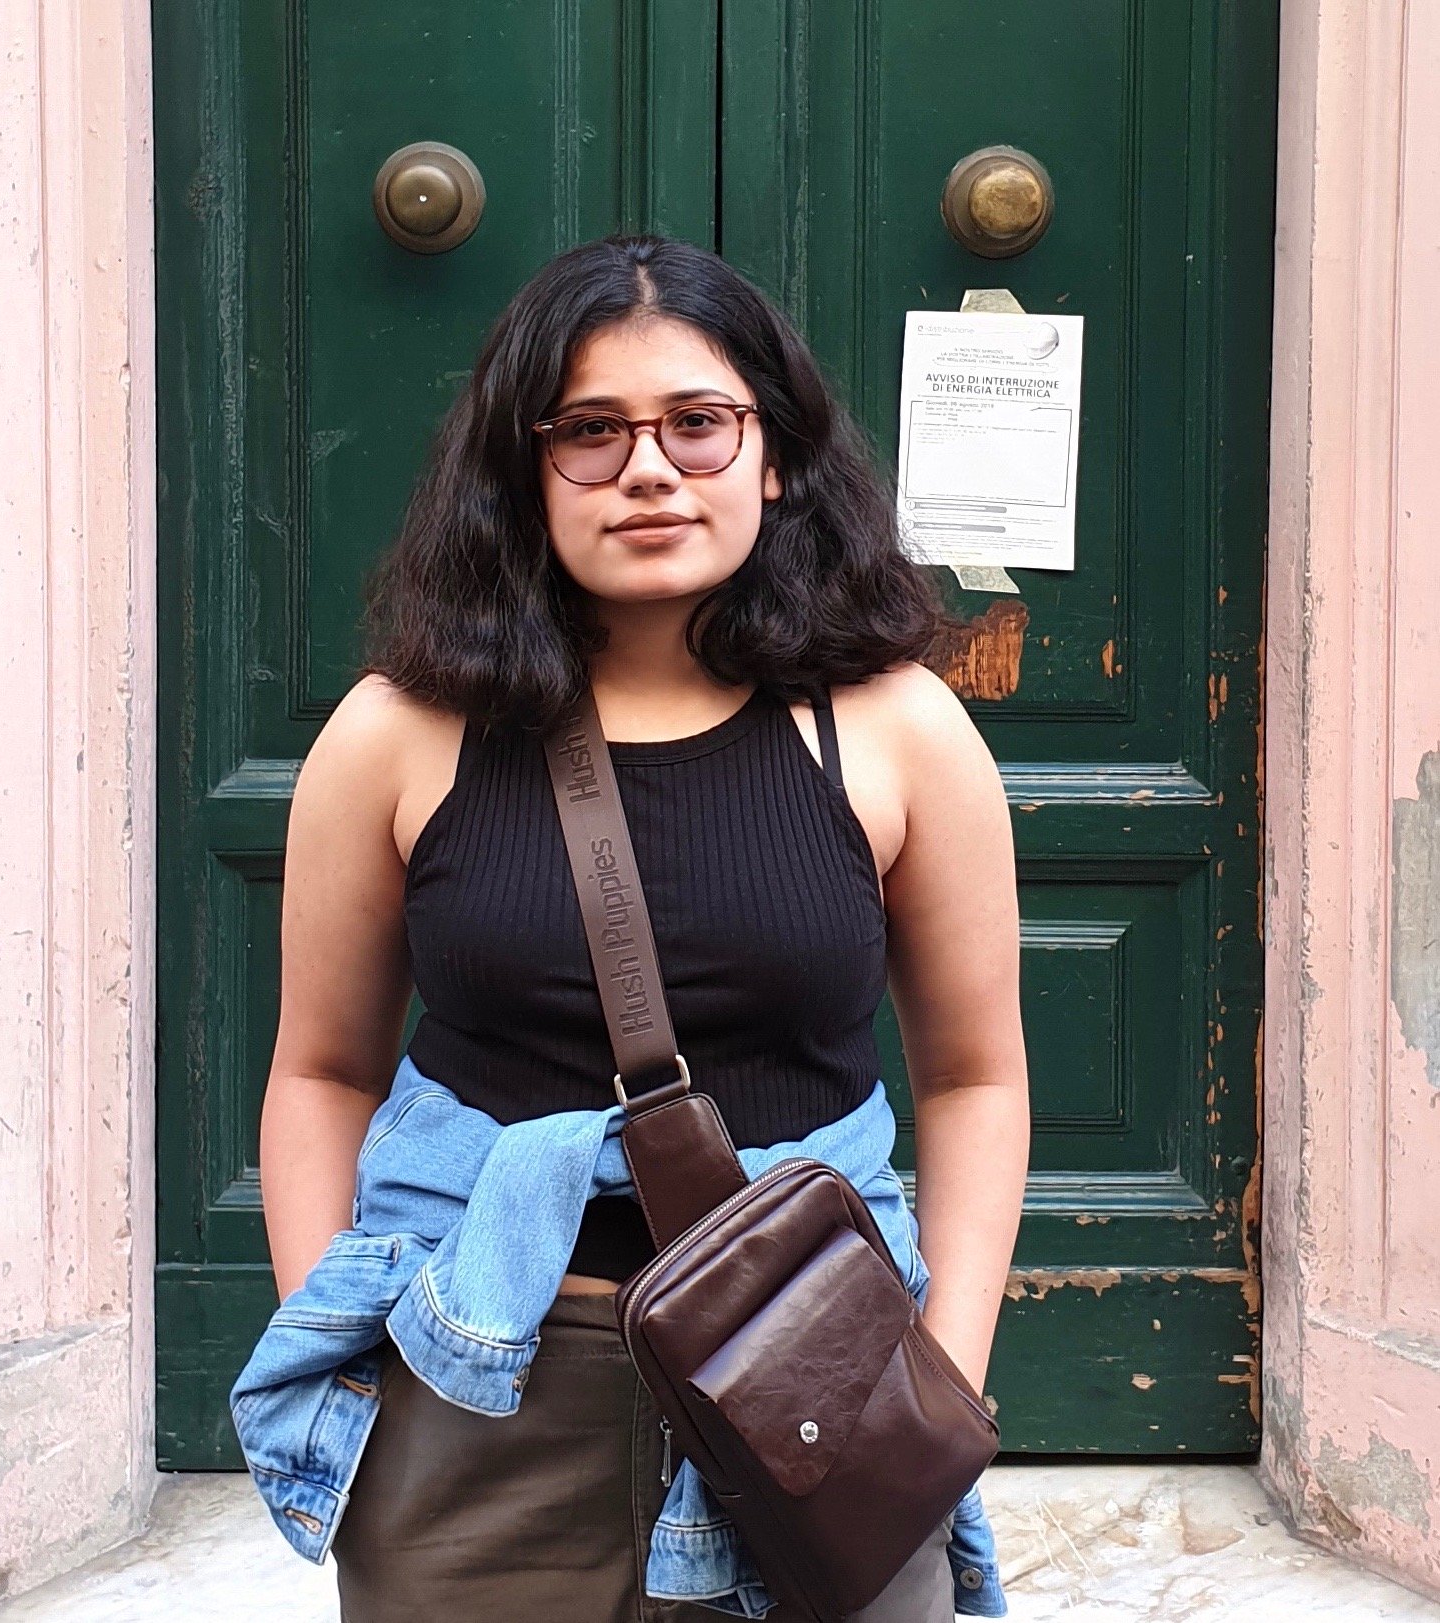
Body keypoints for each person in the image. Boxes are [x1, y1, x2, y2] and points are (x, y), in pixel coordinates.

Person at [250, 234, 1030, 1621]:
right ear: (521, 471)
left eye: (699, 424)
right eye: (591, 432)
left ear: (775, 456)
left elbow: (975, 1080)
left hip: (818, 1392)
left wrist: (945, 1373)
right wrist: (338, 1354)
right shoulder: (399, 737)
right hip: (470, 1384)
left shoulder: (902, 731)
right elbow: (321, 1070)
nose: (651, 469)